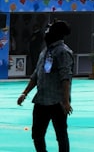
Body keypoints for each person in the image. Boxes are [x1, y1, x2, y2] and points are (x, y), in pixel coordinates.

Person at [17, 20, 74, 152]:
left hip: (57, 102)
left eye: (49, 30)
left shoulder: (63, 52)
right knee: (37, 134)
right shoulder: (44, 52)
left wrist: (65, 102)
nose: (46, 33)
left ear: (57, 33)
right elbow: (36, 75)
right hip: (41, 100)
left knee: (61, 135)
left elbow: (65, 78)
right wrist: (25, 93)